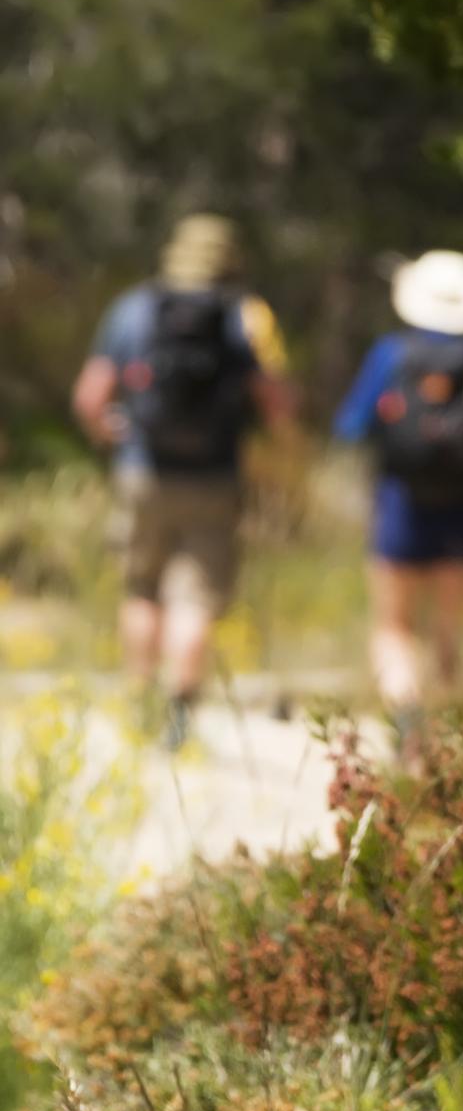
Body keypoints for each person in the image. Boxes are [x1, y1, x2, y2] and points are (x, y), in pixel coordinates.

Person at [70, 214, 292, 747]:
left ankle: (138, 698)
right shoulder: (247, 314)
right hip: (215, 477)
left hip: (142, 470)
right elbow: (279, 404)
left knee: (142, 587)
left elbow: (89, 398)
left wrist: (114, 435)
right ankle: (178, 713)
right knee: (195, 597)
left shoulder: (132, 308)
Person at [334, 250, 463, 751]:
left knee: (395, 627)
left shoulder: (391, 355)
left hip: (400, 505)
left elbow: (351, 425)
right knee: (447, 632)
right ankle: (441, 739)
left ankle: (407, 721)